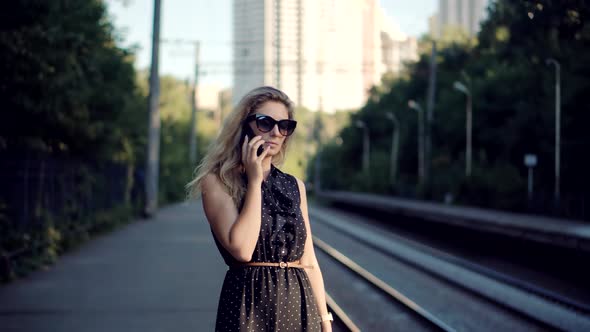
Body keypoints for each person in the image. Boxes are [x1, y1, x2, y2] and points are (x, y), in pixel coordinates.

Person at [186, 86, 333, 331]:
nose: (276, 132)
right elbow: (242, 249)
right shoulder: (217, 182)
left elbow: (308, 260)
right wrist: (255, 182)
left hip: (299, 305)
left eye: (284, 125)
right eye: (266, 123)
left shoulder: (294, 186)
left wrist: (325, 321)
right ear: (245, 126)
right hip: (249, 308)